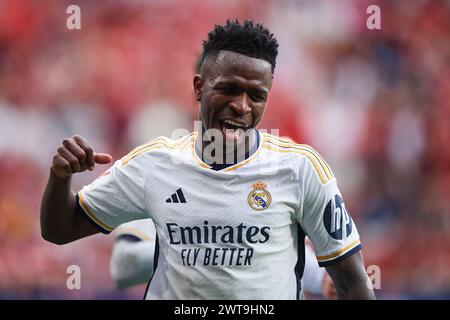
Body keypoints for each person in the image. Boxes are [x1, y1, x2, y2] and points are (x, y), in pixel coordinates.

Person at [41, 19, 375, 299]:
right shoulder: (154, 164)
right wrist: (60, 176)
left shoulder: (300, 169)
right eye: (229, 89)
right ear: (199, 88)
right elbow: (60, 229)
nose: (242, 106)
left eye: (256, 96)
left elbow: (351, 278)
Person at [110, 220, 337, 299]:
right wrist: (204, 252)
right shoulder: (157, 167)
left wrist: (321, 277)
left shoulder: (274, 167)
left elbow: (277, 250)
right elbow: (123, 268)